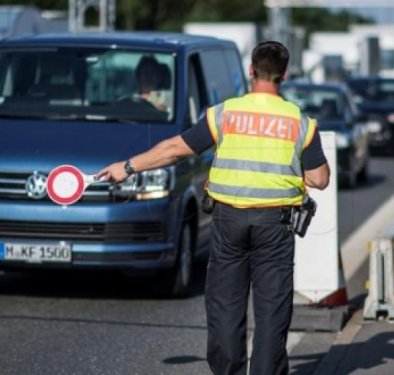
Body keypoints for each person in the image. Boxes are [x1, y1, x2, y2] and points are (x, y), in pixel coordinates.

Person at [96, 41, 330, 375]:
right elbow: (319, 180)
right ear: (284, 75)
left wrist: (128, 166)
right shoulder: (301, 124)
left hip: (229, 222)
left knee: (225, 306)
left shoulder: (225, 114)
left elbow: (176, 148)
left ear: (251, 70)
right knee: (271, 311)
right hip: (275, 226)